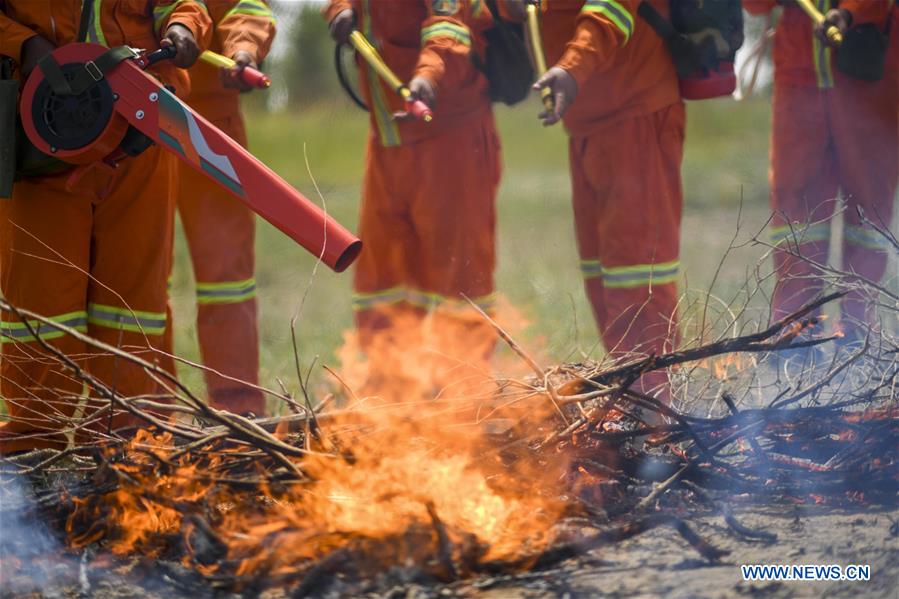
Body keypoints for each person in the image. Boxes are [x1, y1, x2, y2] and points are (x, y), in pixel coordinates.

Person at [0, 0, 211, 454]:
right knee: (41, 295)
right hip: (39, 124)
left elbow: (180, 4)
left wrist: (183, 26)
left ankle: (132, 437)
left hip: (141, 125)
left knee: (134, 295)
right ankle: (37, 438)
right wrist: (27, 45)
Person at [324, 0, 507, 395]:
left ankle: (466, 396)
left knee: (459, 280)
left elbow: (450, 25)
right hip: (388, 146)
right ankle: (392, 396)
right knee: (382, 280)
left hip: (449, 144)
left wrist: (427, 77)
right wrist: (339, 10)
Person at [534, 0, 684, 398]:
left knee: (638, 282)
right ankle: (635, 399)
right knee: (603, 282)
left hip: (635, 115)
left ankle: (660, 419)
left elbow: (610, 9)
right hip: (588, 124)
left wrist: (572, 67)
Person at [744, 0, 898, 345]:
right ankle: (796, 338)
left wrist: (851, 12)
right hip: (799, 78)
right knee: (797, 219)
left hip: (868, 70)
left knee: (869, 219)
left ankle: (857, 341)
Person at [171, 0, 276, 416]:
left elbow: (246, 7)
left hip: (215, 127)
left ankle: (239, 410)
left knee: (226, 278)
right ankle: (140, 419)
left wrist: (243, 51)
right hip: (140, 119)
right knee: (139, 280)